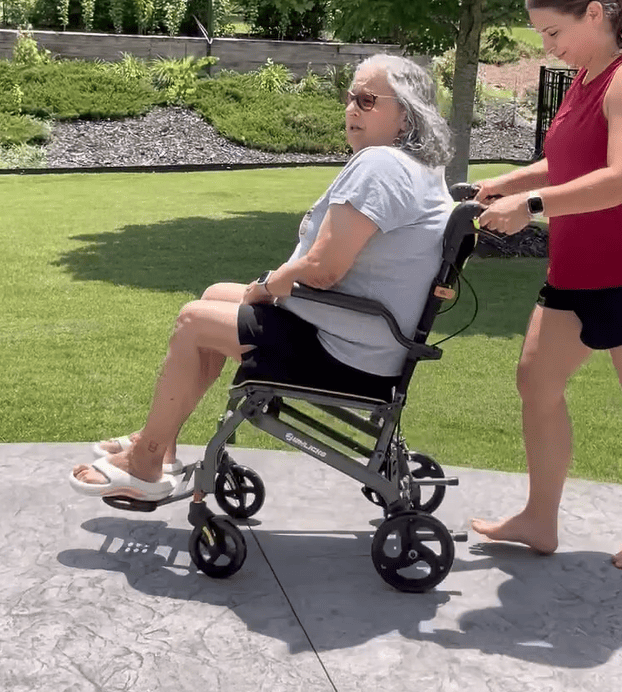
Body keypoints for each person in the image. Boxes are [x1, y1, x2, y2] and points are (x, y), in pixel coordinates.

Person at [70, 53, 454, 501]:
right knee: (215, 294)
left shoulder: (382, 166)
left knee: (194, 320)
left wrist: (268, 285)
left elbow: (323, 269)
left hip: (343, 352)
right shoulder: (420, 170)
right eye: (350, 97)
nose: (351, 108)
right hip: (367, 341)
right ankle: (161, 440)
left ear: (406, 115)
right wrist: (272, 288)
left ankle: (146, 460)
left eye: (367, 100)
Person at [471, 0, 622, 573]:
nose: (547, 47)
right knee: (536, 381)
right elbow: (571, 160)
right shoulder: (587, 77)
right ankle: (539, 517)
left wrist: (531, 206)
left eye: (553, 32)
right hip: (577, 268)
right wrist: (507, 182)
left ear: (595, 13)